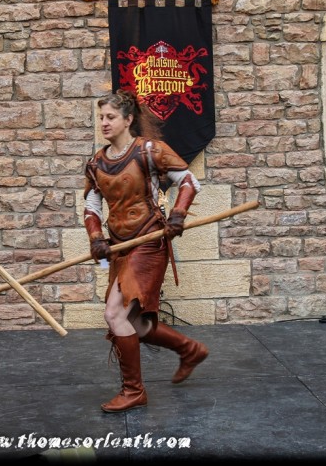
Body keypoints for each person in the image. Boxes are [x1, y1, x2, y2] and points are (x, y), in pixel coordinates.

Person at [83, 89, 209, 413]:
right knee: (134, 323)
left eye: (111, 117)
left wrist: (177, 215)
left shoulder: (149, 151)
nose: (104, 123)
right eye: (101, 117)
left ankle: (133, 391)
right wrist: (96, 238)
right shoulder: (96, 163)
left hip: (149, 242)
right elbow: (91, 206)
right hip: (120, 247)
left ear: (128, 120)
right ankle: (189, 349)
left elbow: (189, 182)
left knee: (115, 314)